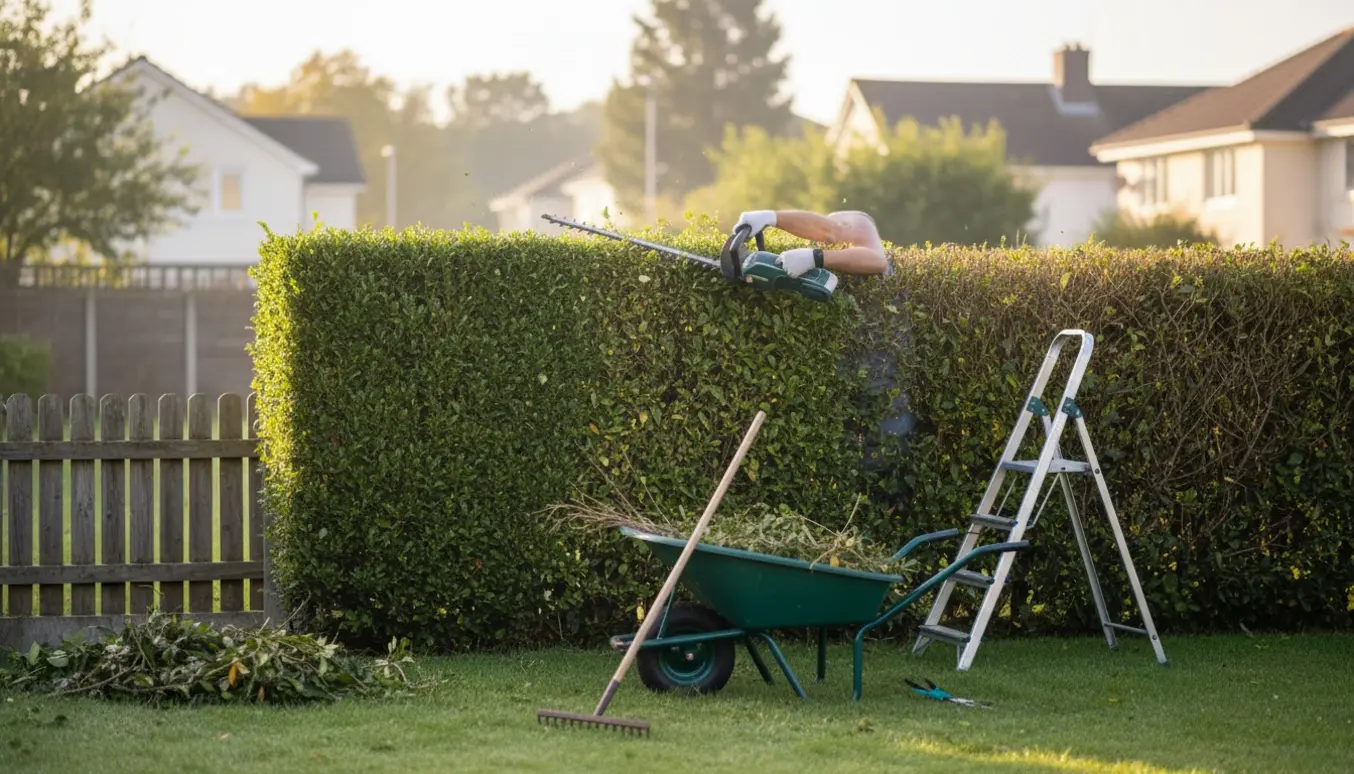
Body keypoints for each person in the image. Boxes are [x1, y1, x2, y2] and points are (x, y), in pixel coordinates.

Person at [732, 209, 890, 277]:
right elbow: (829, 230)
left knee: (854, 225)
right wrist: (770, 217)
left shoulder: (878, 262)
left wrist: (815, 257)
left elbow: (879, 262)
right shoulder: (836, 235)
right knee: (834, 229)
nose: (828, 242)